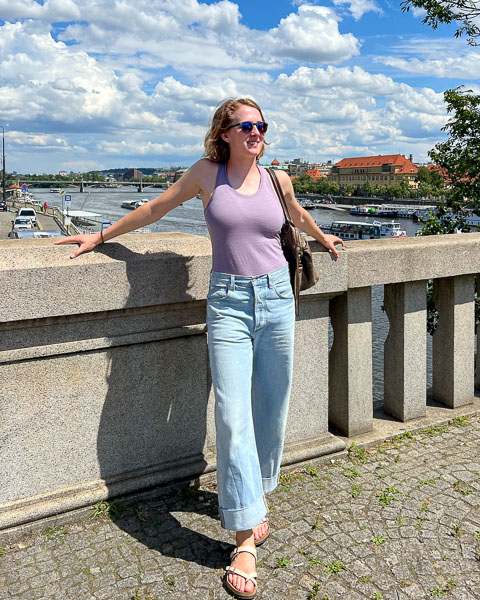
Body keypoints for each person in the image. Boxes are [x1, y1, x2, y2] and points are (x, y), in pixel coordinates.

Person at [55, 98, 343, 599]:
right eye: (245, 125)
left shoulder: (278, 179)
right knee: (231, 414)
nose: (255, 132)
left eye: (261, 125)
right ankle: (244, 540)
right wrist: (100, 235)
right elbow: (155, 207)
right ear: (224, 133)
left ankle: (256, 494)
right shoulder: (207, 174)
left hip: (278, 298)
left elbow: (295, 216)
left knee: (272, 405)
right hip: (228, 302)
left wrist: (323, 237)